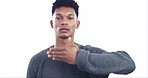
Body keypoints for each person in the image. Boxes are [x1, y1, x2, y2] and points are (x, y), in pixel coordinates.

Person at [26, 0, 135, 78]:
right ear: (52, 23)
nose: (64, 22)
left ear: (77, 24)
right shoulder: (38, 61)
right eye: (58, 18)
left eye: (70, 18)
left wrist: (79, 58)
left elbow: (128, 64)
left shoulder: (89, 53)